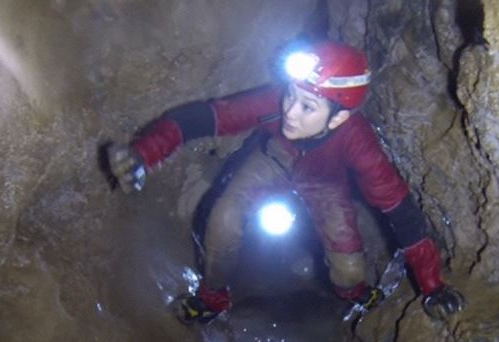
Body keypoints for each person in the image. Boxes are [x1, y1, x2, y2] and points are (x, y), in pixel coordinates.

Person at [104, 40, 465, 323]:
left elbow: (402, 214)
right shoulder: (276, 102)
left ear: (338, 118)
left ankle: (353, 294)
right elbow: (204, 118)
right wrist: (143, 155)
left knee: (349, 272)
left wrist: (432, 286)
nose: (290, 111)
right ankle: (213, 298)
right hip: (274, 160)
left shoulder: (360, 143)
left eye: (308, 107)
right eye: (291, 94)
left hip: (325, 184)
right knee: (225, 216)